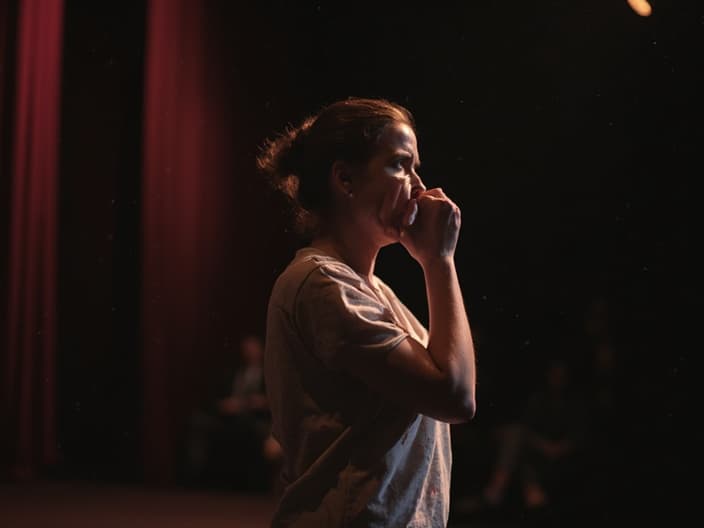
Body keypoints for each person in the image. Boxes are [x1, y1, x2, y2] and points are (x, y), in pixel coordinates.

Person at [257, 97, 477, 527]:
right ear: (345, 178)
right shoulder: (322, 284)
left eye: (415, 166)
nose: (418, 184)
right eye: (399, 164)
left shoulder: (374, 291)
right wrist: (439, 261)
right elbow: (456, 396)